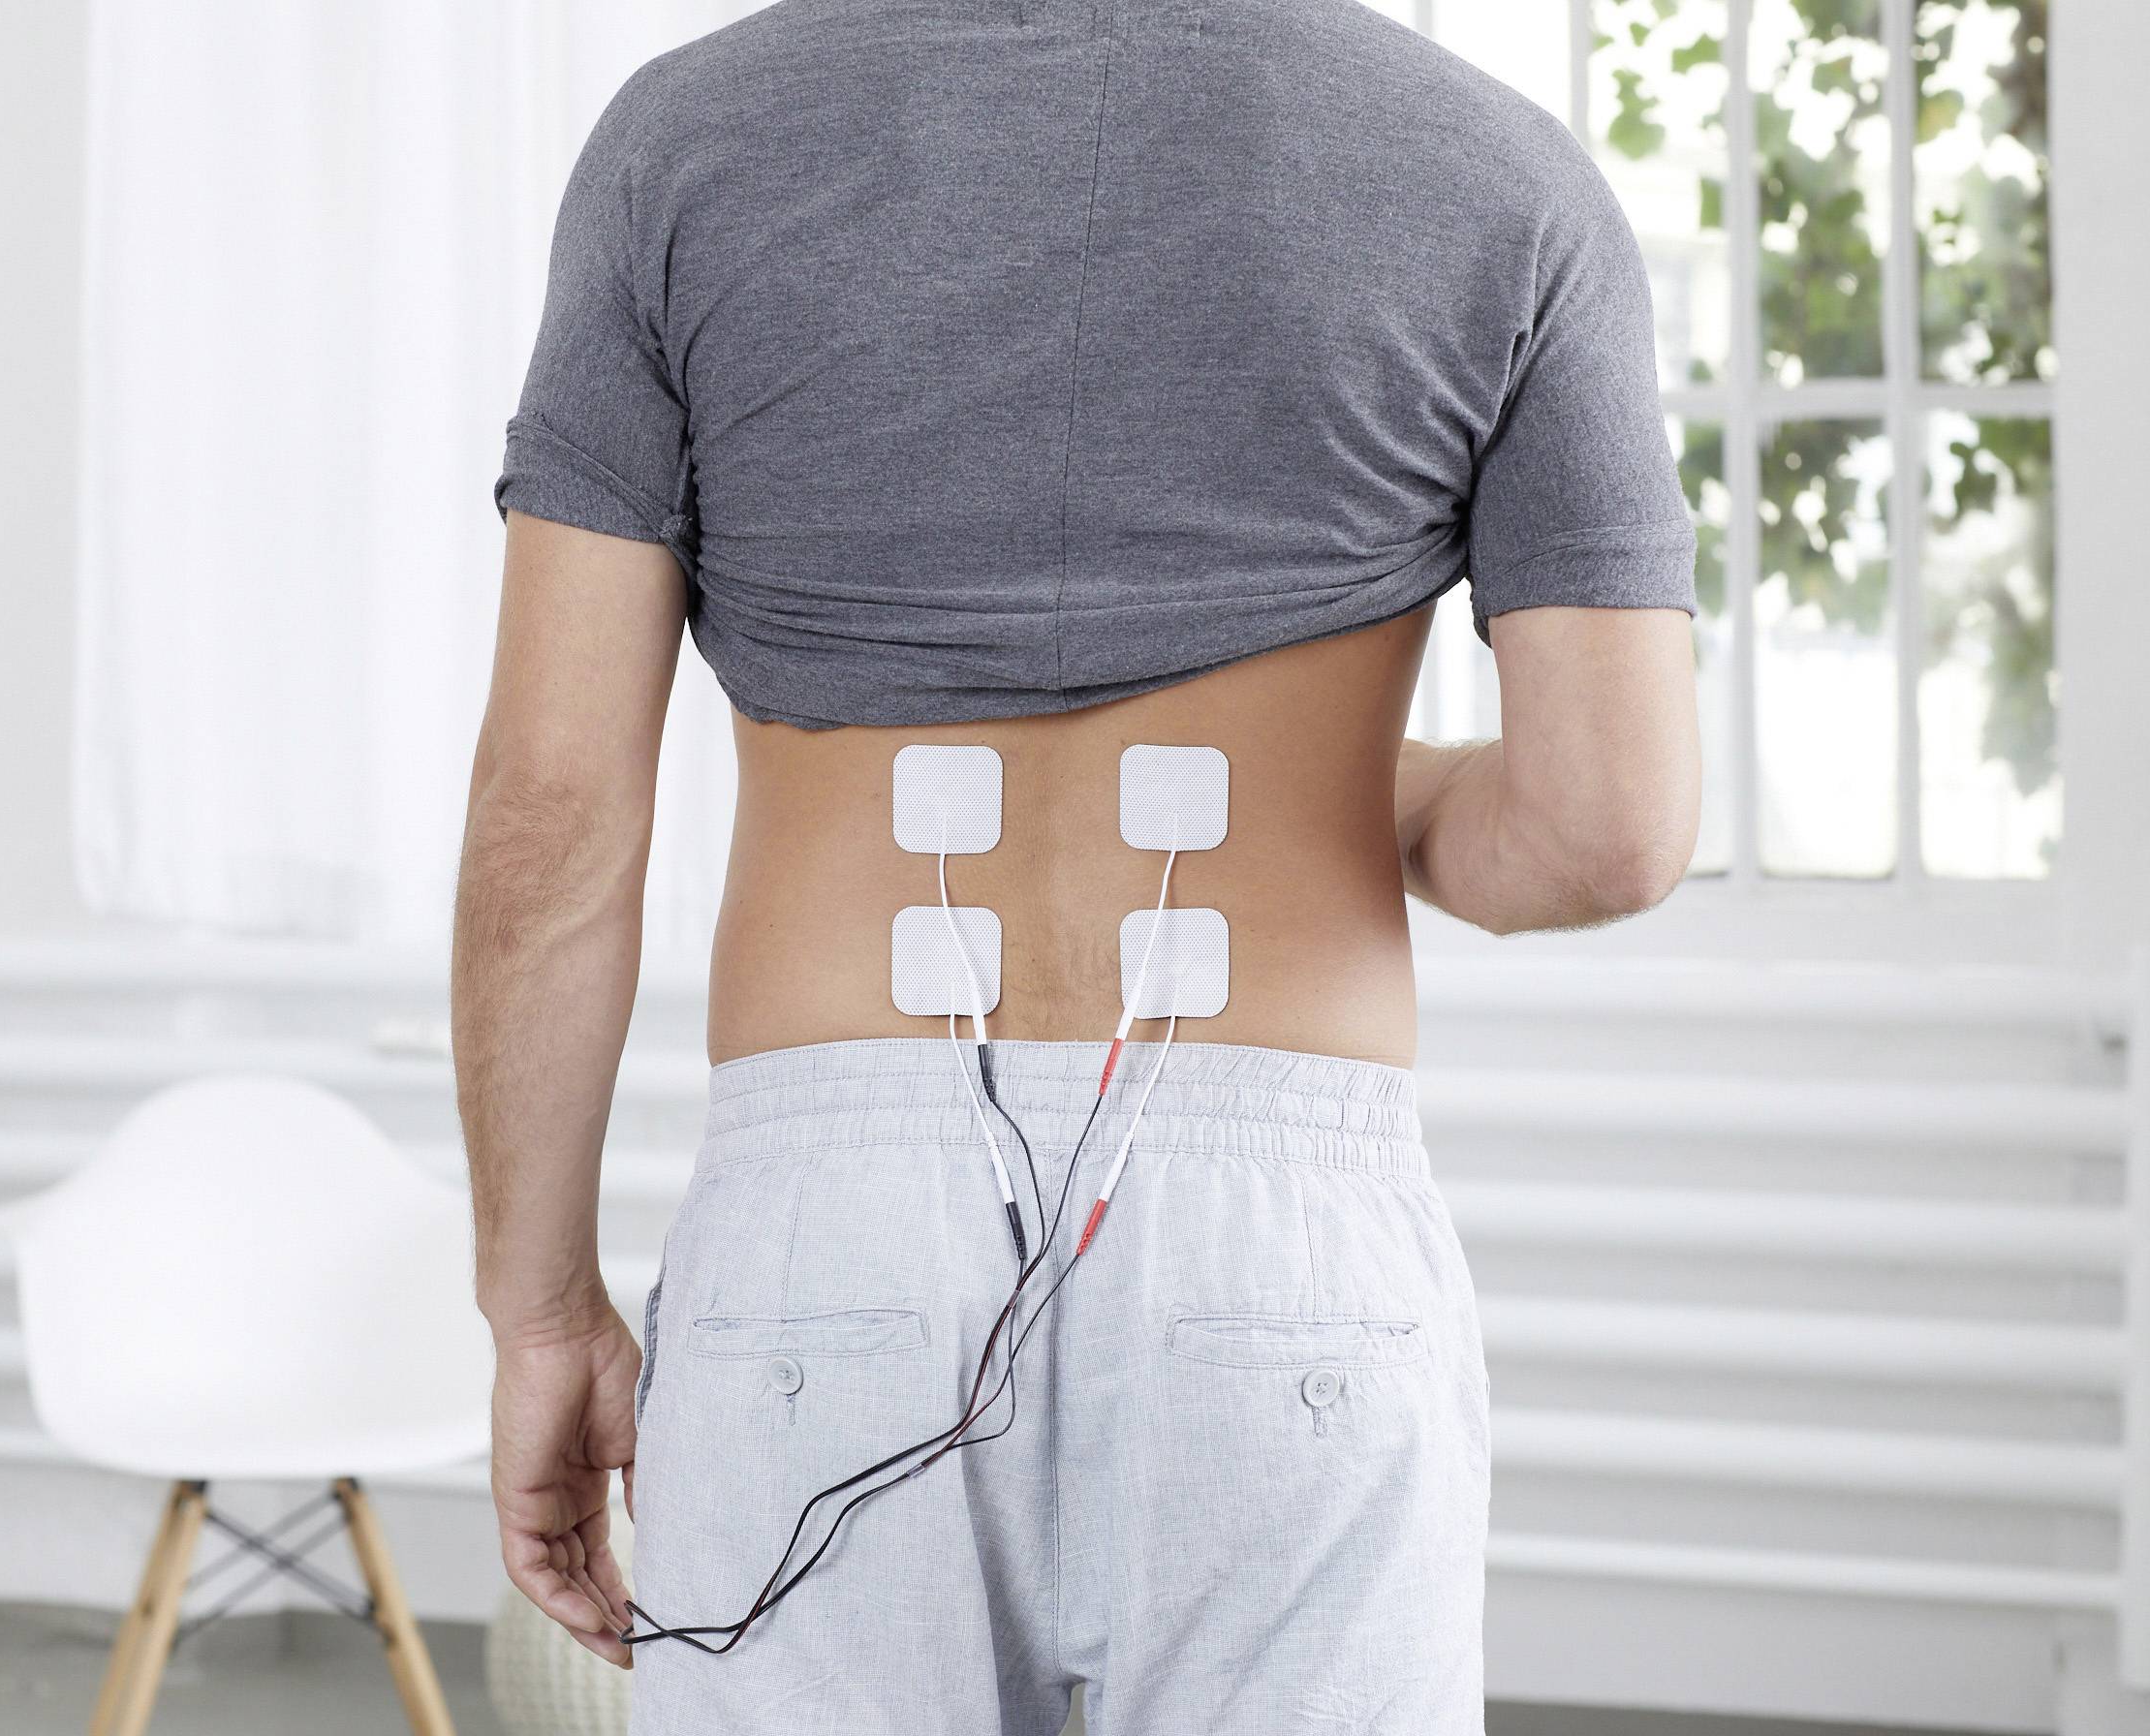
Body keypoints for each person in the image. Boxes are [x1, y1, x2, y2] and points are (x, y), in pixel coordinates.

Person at [456, 1, 1699, 1729]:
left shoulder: (682, 146)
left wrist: (538, 1315)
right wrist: (1337, 794)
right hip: (1278, 1243)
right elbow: (1610, 830)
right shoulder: (1501, 174)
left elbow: (551, 814)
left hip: (827, 1229)